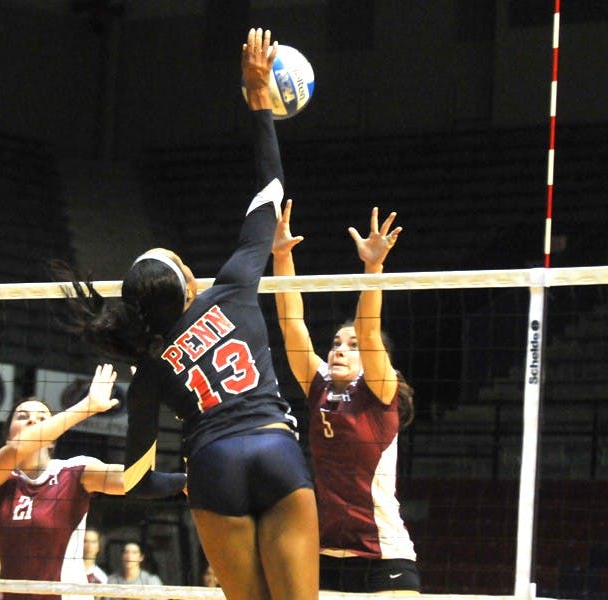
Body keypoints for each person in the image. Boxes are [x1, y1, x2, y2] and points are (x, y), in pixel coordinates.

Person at [56, 28, 319, 600]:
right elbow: (271, 186)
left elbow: (135, 481)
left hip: (213, 469)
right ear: (188, 281)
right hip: (275, 447)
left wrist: (184, 484)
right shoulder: (234, 287)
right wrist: (258, 105)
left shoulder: (149, 366)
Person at [272, 202, 420, 594]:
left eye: (351, 346)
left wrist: (373, 269)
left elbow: (370, 332)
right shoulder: (319, 385)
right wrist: (281, 256)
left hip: (383, 555)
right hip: (322, 554)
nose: (339, 349)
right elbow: (292, 324)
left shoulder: (379, 392)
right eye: (336, 342)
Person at [0, 364, 185, 600]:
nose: (32, 422)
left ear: (52, 440)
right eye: (22, 417)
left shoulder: (75, 472)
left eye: (42, 418)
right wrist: (86, 407)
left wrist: (145, 408)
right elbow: (19, 446)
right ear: (8, 435)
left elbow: (138, 478)